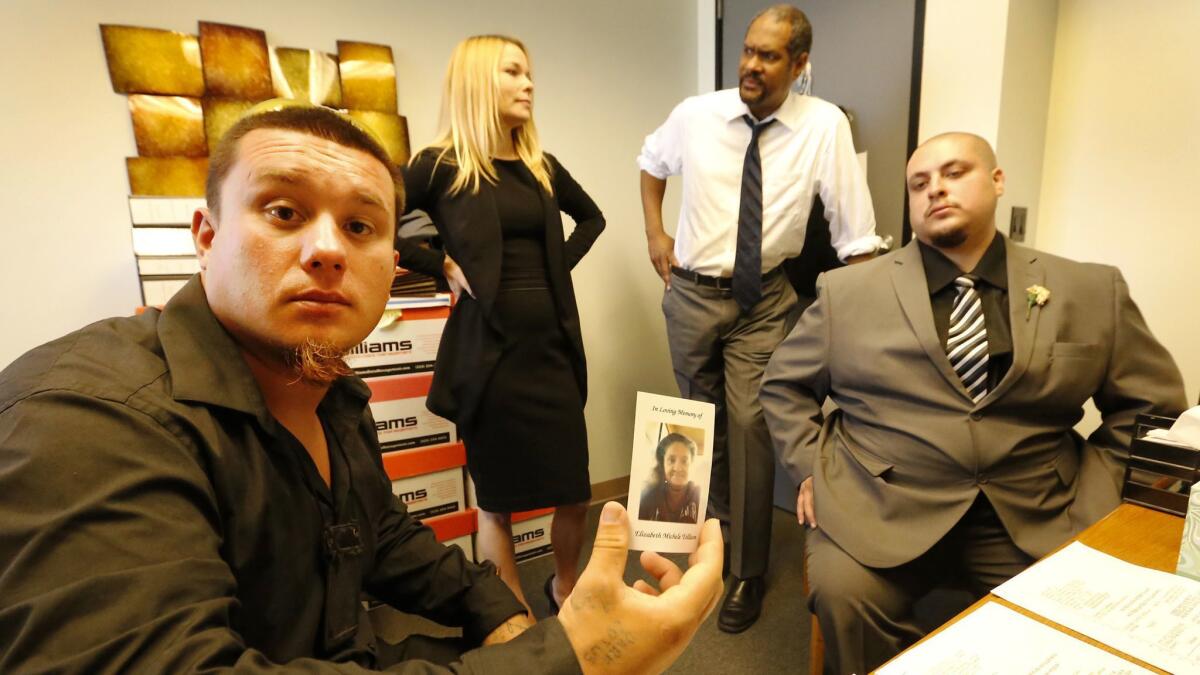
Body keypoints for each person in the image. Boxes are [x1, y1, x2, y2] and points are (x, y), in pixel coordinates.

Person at [0, 103, 724, 673]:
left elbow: (379, 534)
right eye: (283, 212)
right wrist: (571, 657)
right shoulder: (84, 418)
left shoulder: (333, 397)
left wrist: (497, 607)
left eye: (359, 225)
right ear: (206, 234)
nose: (326, 249)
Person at [760, 131, 1188, 674]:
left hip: (1040, 507)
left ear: (997, 180)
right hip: (880, 503)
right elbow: (783, 385)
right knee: (844, 598)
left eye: (954, 172)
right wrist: (807, 469)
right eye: (919, 183)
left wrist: (1102, 483)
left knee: (1080, 620)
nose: (935, 189)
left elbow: (1153, 407)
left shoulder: (1088, 289)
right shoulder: (847, 293)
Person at [636, 4, 880, 633]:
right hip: (691, 291)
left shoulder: (823, 126)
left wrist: (863, 323)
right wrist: (654, 233)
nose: (750, 65)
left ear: (799, 66)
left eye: (768, 56)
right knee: (695, 420)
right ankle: (704, 551)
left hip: (766, 298)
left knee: (749, 422)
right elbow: (651, 162)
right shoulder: (696, 115)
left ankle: (744, 571)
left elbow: (856, 237)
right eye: (747, 50)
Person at [393, 35, 604, 617]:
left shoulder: (540, 166)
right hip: (490, 359)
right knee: (496, 504)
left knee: (575, 493)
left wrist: (554, 266)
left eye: (529, 73)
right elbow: (378, 220)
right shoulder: (439, 165)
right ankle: (514, 618)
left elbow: (592, 218)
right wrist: (441, 265)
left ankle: (564, 588)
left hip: (551, 353)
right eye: (514, 72)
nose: (529, 83)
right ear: (480, 79)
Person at [639, 433, 702, 524]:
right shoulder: (648, 496)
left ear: (691, 464)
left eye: (684, 461)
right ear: (663, 464)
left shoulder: (699, 495)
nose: (678, 468)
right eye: (671, 460)